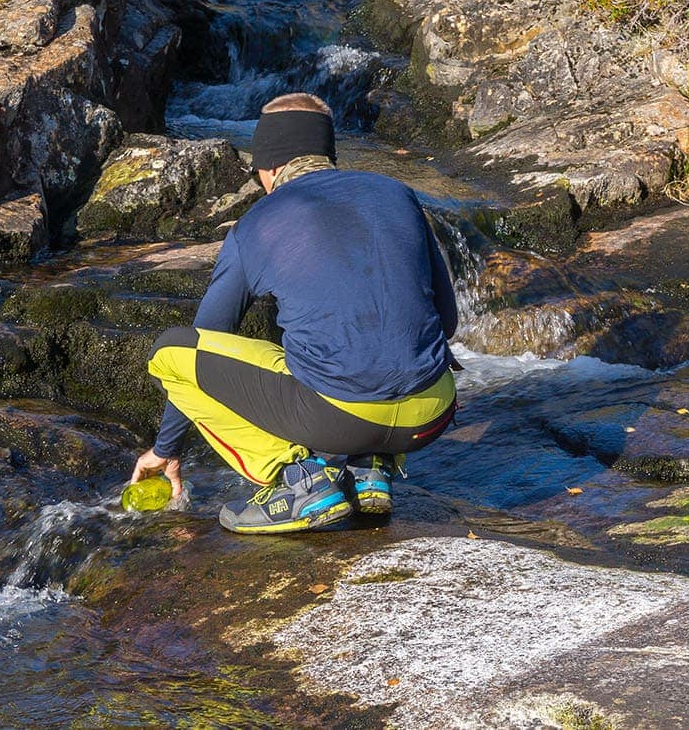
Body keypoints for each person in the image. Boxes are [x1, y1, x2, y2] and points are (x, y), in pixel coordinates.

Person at [129, 92, 460, 534]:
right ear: (326, 154)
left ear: (268, 167)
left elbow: (207, 334)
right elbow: (448, 320)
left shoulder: (258, 222)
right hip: (432, 413)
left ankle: (302, 484)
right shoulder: (395, 193)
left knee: (171, 352)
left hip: (337, 422)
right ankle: (368, 471)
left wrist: (167, 446)